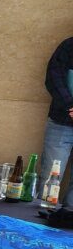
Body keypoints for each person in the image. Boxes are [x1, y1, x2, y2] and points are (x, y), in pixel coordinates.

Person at [41, 36, 73, 206]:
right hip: (61, 122)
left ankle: (68, 219)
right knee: (50, 177)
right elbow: (53, 78)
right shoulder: (69, 45)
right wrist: (70, 105)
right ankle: (39, 219)